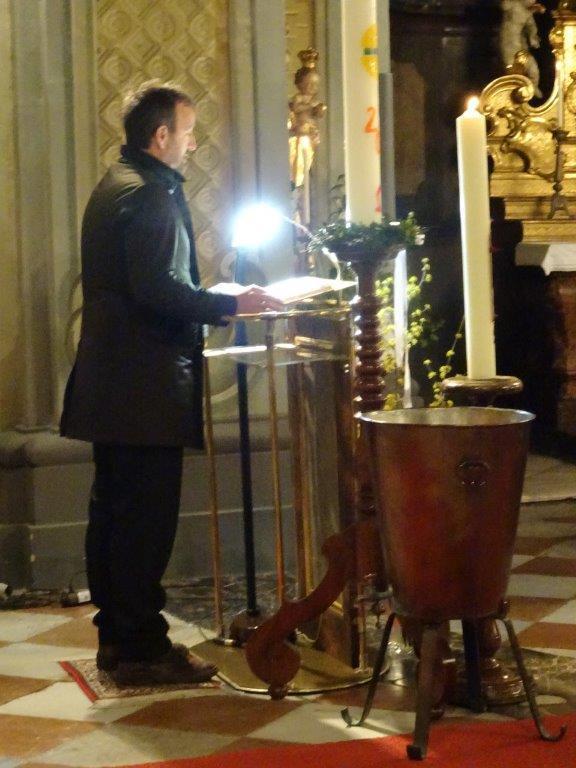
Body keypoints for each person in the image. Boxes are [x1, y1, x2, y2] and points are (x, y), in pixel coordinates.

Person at [60, 81, 282, 686]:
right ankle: (142, 649)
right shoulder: (152, 194)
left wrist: (211, 297)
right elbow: (157, 290)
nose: (192, 143)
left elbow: (143, 283)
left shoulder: (116, 183)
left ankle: (119, 639)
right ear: (161, 136)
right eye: (187, 132)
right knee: (143, 523)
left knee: (113, 515)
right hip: (144, 388)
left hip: (113, 385)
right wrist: (230, 304)